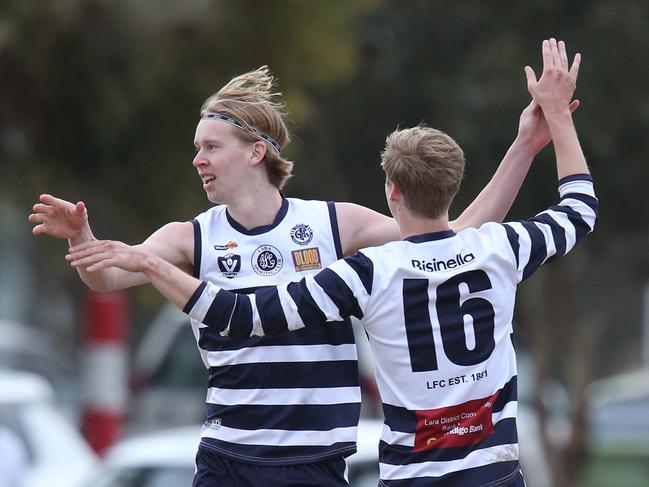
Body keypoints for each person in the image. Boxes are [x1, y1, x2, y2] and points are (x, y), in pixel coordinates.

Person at [34, 44, 575, 486]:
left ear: (254, 152)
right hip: (229, 457)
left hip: (316, 460)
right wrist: (85, 238)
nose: (197, 159)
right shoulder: (191, 236)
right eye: (196, 148)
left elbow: (451, 236)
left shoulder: (332, 224)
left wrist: (524, 147)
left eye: (210, 146)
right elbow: (107, 276)